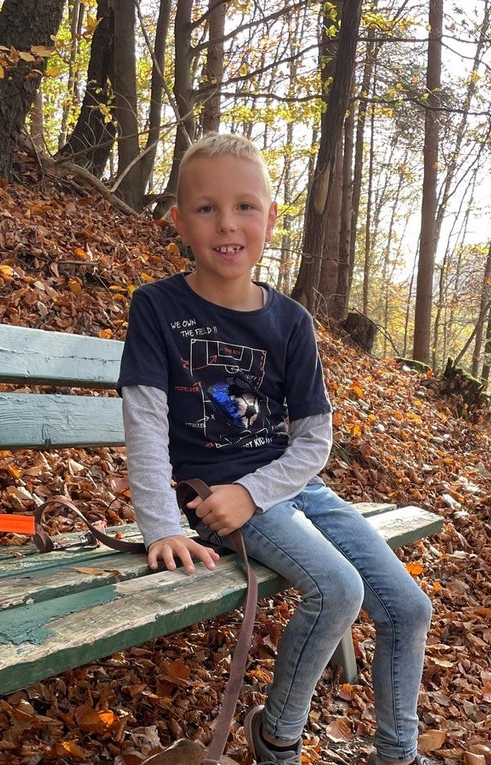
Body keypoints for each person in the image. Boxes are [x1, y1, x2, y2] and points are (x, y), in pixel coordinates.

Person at [118, 133, 434, 765]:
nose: (227, 224)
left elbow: (314, 435)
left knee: (407, 605)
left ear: (270, 216)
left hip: (282, 488)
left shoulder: (289, 321)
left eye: (244, 207)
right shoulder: (158, 307)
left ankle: (397, 752)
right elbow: (146, 425)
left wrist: (258, 488)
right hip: (216, 499)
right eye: (206, 209)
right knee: (339, 590)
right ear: (178, 222)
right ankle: (279, 737)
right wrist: (160, 525)